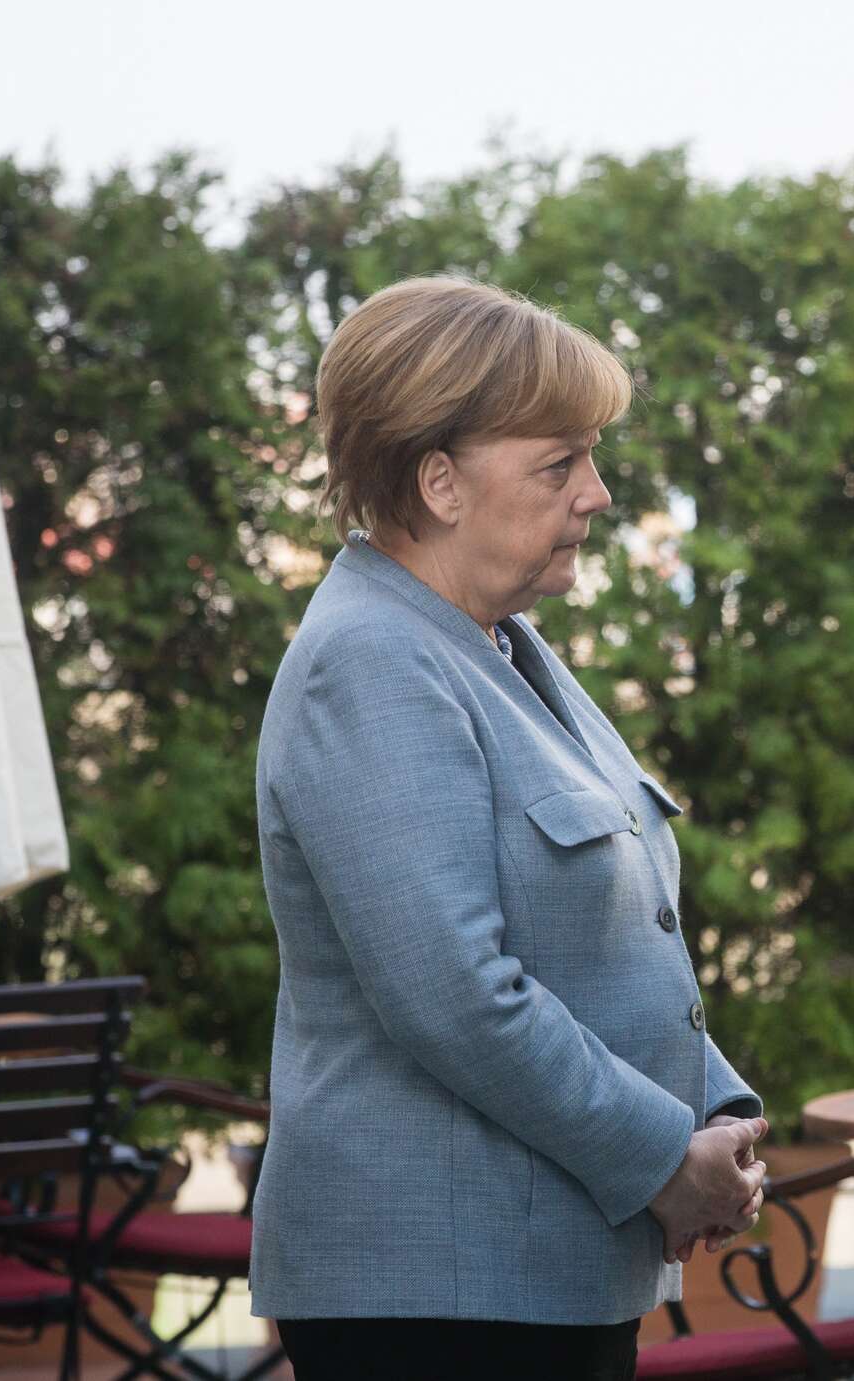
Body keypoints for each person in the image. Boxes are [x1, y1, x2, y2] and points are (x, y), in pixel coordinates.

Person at [250, 276, 766, 1381]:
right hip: (439, 1295)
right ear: (438, 480)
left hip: (532, 1278)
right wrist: (660, 1157)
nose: (597, 494)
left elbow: (597, 945)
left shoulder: (494, 644)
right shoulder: (372, 661)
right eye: (559, 463)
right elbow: (457, 995)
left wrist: (712, 1115)